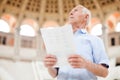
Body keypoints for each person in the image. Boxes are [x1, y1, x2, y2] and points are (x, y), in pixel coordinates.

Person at [43, 5, 109, 80]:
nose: (71, 13)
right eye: (71, 11)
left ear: (86, 17)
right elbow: (54, 74)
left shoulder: (95, 40)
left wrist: (86, 64)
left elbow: (105, 72)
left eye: (76, 10)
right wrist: (50, 66)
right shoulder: (60, 40)